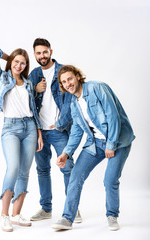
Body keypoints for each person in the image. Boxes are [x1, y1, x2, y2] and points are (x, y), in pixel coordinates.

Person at [52, 65, 135, 231]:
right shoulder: (74, 104)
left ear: (77, 76)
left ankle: (112, 215)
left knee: (110, 180)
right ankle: (67, 218)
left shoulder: (97, 88)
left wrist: (111, 145)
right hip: (96, 143)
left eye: (70, 79)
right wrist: (66, 153)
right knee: (75, 174)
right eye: (64, 82)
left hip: (119, 141)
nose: (68, 83)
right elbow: (76, 132)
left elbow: (114, 118)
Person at [0, 47, 43, 232]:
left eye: (23, 63)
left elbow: (33, 110)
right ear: (11, 62)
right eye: (16, 61)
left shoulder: (28, 83)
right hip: (10, 128)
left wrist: (39, 133)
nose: (19, 65)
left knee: (25, 172)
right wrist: (8, 56)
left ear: (26, 66)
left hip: (30, 129)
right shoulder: (2, 79)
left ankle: (16, 214)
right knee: (13, 167)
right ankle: (4, 215)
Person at [28, 38, 82, 222]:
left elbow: (70, 103)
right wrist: (35, 90)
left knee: (68, 168)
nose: (42, 56)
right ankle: (46, 209)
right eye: (38, 53)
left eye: (45, 52)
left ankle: (72, 208)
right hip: (39, 132)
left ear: (51, 51)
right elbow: (26, 101)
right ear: (34, 55)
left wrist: (60, 124)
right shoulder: (34, 74)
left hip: (58, 131)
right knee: (42, 170)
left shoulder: (63, 71)